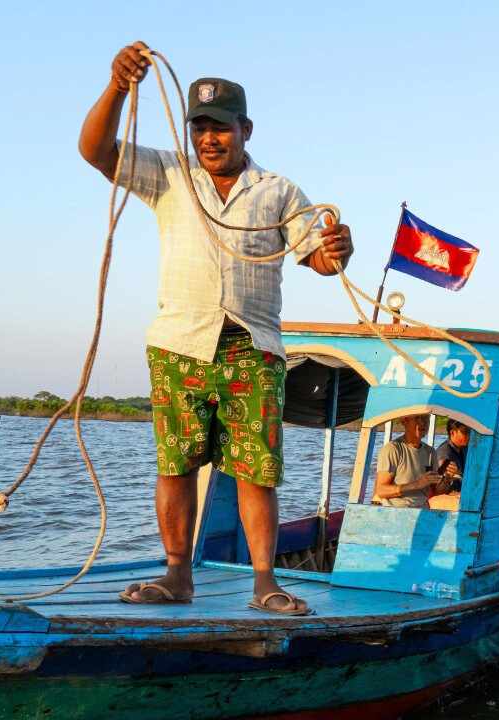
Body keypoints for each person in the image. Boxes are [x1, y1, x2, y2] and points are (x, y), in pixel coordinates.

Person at [80, 42, 353, 615]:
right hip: (179, 343)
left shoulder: (278, 191)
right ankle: (178, 576)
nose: (209, 138)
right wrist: (116, 87)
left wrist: (339, 250)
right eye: (200, 126)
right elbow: (95, 150)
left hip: (253, 348)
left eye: (221, 127)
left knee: (257, 471)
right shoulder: (168, 172)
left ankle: (264, 584)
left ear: (245, 129)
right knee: (175, 465)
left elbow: (320, 261)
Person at [374, 414, 445, 508]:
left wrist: (447, 479)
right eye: (417, 418)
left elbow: (436, 491)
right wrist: (416, 484)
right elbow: (381, 490)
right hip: (395, 511)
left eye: (425, 418)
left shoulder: (430, 452)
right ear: (404, 421)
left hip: (422, 511)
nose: (422, 423)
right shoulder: (393, 449)